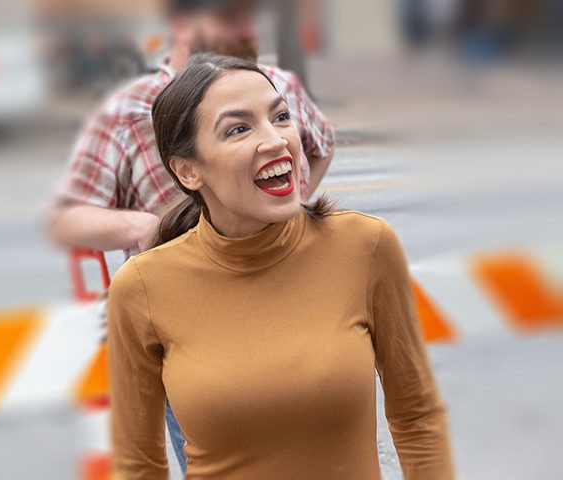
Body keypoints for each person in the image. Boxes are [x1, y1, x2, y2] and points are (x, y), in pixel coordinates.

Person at [107, 53, 454, 479]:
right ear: (188, 170)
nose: (275, 140)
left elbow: (417, 417)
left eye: (281, 117)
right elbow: (138, 464)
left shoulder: (366, 247)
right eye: (238, 128)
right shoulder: (142, 287)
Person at [47, 0, 334, 260]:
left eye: (248, 19)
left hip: (292, 269)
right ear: (182, 25)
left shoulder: (280, 85)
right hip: (181, 291)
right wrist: (143, 227)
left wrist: (293, 199)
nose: (246, 32)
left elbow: (323, 144)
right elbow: (66, 219)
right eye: (228, 19)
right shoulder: (128, 109)